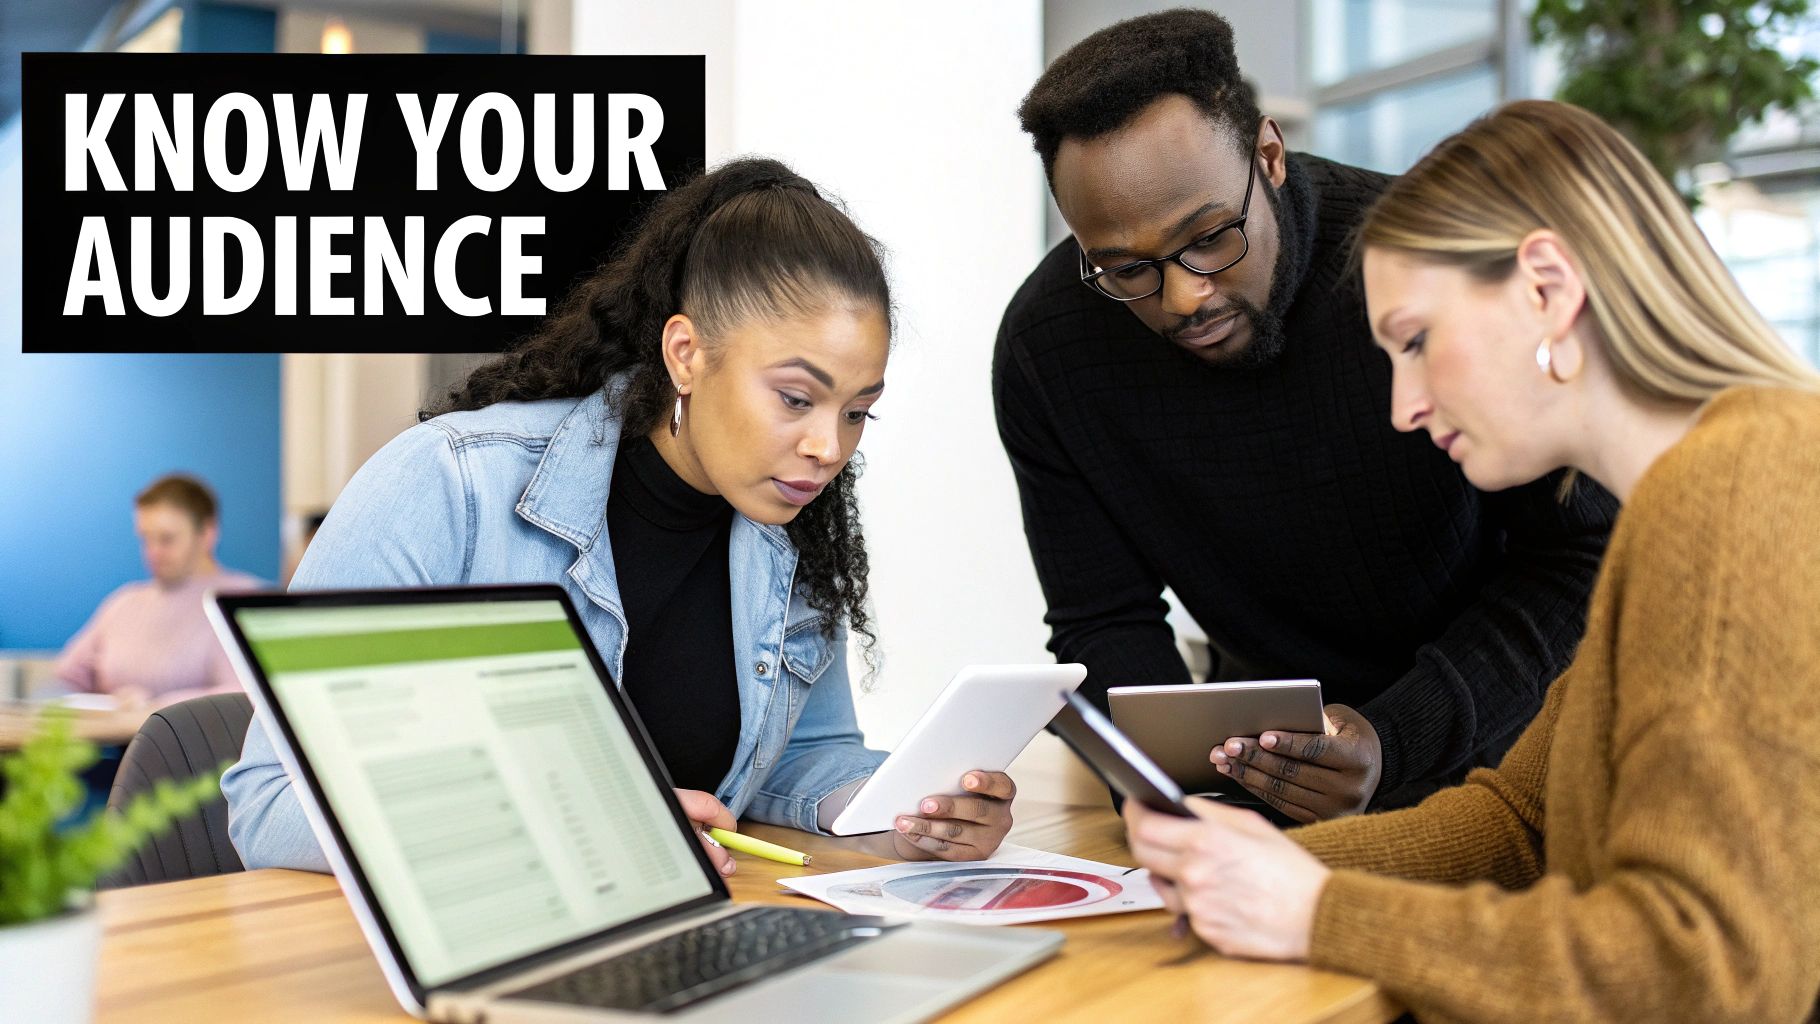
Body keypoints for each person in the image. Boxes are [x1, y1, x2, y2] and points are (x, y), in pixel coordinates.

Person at [1124, 100, 1820, 1021]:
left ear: (1546, 288)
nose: (1404, 405)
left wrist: (1319, 911)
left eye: (1415, 343)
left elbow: (1700, 969)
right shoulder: (1685, 501)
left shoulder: (1741, 490)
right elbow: (1519, 823)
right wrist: (1246, 870)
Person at [222, 159, 1018, 875]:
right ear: (686, 354)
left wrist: (900, 815)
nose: (827, 447)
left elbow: (804, 756)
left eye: (858, 413)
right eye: (797, 398)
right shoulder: (450, 483)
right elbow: (270, 803)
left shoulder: (793, 525)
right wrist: (581, 828)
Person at [996, 9, 1617, 820]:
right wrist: (1171, 784)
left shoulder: (1422, 274)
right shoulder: (1049, 347)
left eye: (1210, 236)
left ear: (1269, 155)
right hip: (1264, 785)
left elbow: (1579, 559)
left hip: (1523, 768)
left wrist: (1393, 738)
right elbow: (1102, 618)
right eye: (1125, 269)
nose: (1185, 295)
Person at [54, 474, 262, 707]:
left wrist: (157, 706)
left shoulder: (242, 600)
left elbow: (248, 694)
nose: (153, 552)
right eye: (146, 539)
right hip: (122, 740)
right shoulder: (125, 602)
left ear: (207, 533)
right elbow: (66, 679)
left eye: (167, 539)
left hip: (195, 741)